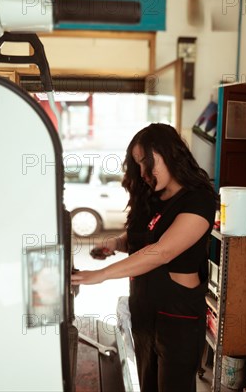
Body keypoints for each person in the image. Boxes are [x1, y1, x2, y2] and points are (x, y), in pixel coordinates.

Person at [71, 123, 217, 392]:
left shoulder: (199, 199)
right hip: (143, 309)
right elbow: (141, 241)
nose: (142, 172)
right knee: (146, 384)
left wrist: (100, 275)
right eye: (137, 164)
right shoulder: (152, 197)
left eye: (146, 162)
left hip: (177, 316)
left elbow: (163, 250)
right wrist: (115, 244)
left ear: (169, 152)